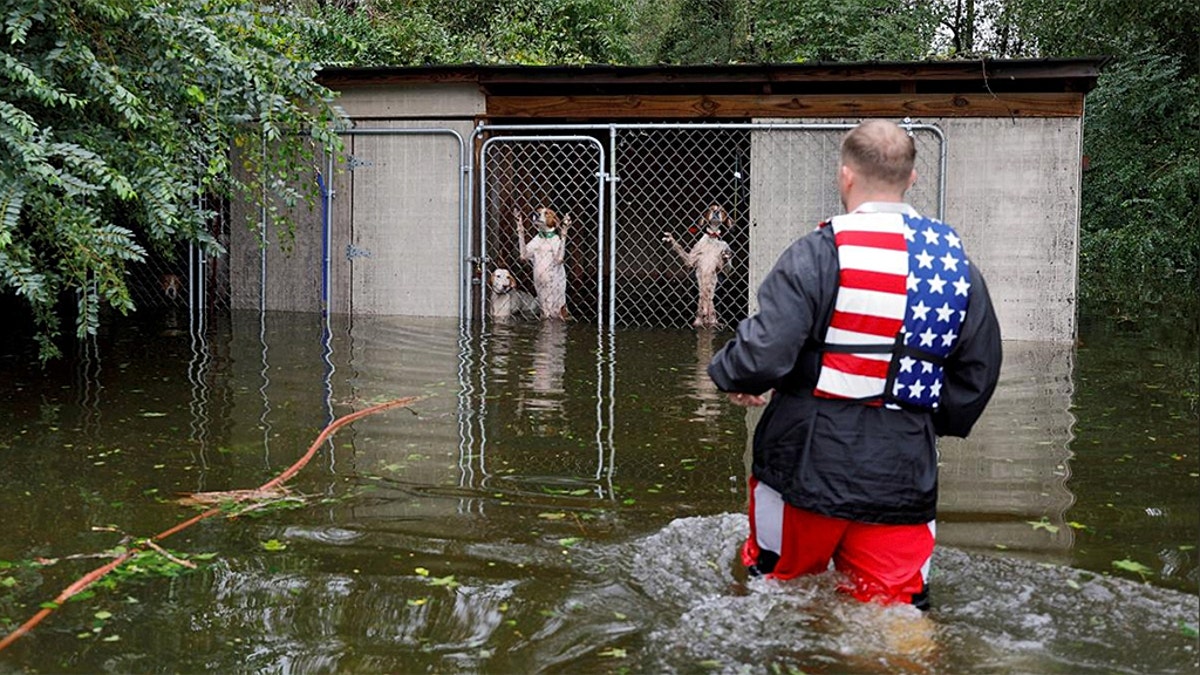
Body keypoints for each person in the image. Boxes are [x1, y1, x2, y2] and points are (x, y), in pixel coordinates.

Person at [707, 119, 1002, 610]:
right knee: (895, 612)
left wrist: (737, 375)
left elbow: (763, 354)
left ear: (845, 176)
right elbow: (978, 372)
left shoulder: (818, 253)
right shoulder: (955, 265)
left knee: (778, 593)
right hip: (904, 467)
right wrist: (921, 420)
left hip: (806, 462)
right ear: (912, 179)